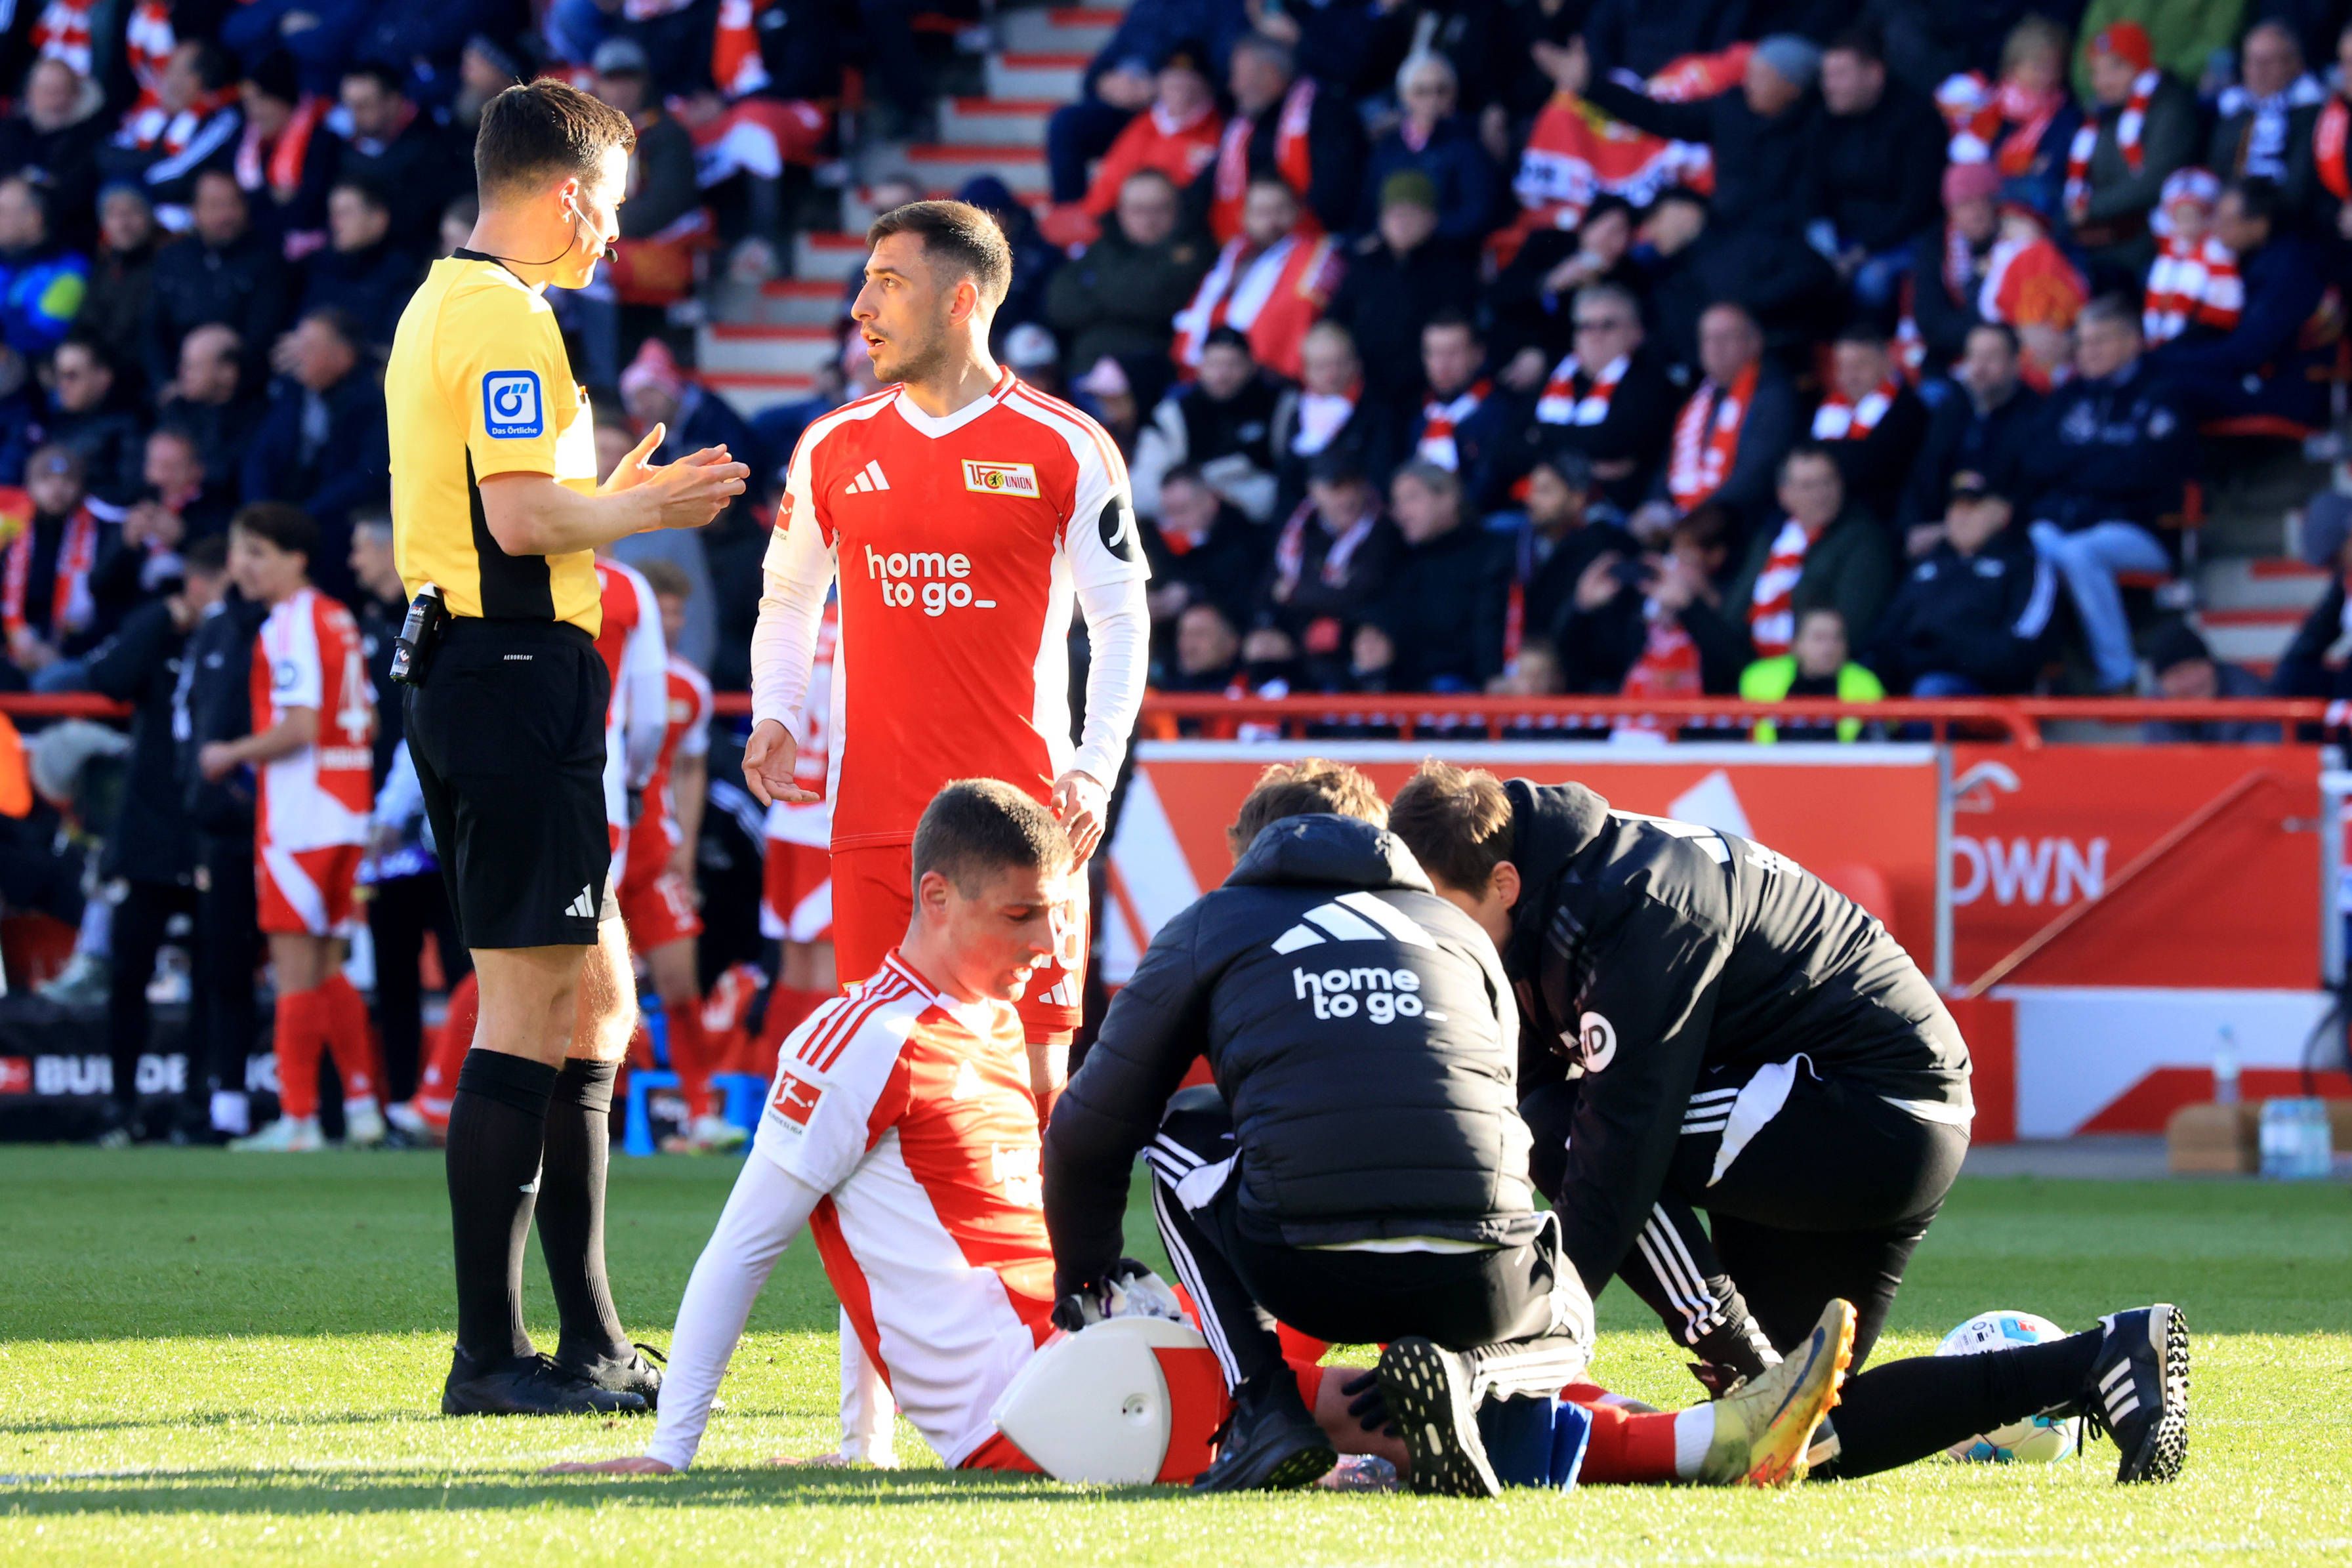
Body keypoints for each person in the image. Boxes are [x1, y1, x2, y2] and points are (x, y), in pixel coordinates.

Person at [551, 781, 1491, 1487]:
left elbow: (877, 1244)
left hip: (1098, 1342)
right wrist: (669, 1453)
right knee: (1397, 1412)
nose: (1045, 944)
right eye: (1020, 914)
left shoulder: (990, 1021)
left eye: (1053, 913)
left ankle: (1503, 1422)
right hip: (1039, 1402)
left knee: (1403, 1394)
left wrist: (861, 1449)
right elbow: (744, 1245)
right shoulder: (860, 1039)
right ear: (935, 897)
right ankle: (1566, 1437)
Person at [1385, 761, 2193, 1487]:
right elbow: (1486, 1118)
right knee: (1798, 1440)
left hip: (1869, 1104)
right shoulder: (1538, 907)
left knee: (1568, 1129)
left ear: (1504, 881)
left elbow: (1615, 1146)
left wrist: (1538, 1333)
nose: (1432, 940)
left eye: (1440, 914)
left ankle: (1736, 1350)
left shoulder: (1636, 898)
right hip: (1856, 1117)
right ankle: (2108, 1354)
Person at [383, 78, 749, 1418]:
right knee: (533, 1005)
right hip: (511, 671)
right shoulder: (504, 318)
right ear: (573, 194)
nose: (612, 242)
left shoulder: (448, 300)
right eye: (613, 213)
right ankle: (490, 1357)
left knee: (596, 998)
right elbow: (527, 516)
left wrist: (606, 499)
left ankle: (588, 1338)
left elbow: (520, 509)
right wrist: (641, 504)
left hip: (497, 673)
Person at [1044, 762, 1598, 1495]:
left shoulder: (1215, 921)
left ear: (1254, 852)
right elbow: (1495, 1101)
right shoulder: (1462, 935)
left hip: (1304, 1266)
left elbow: (1090, 1124)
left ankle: (1264, 1405)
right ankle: (1471, 1374)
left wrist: (1086, 1276)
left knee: (1185, 1124)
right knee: (1572, 1306)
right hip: (1479, 1281)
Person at [743, 197, 1149, 1076]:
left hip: (1022, 819)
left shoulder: (1067, 445)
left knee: (1030, 1091)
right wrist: (774, 708)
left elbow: (1121, 618)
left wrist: (1094, 764)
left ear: (961, 300)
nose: (862, 307)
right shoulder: (831, 445)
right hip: (873, 820)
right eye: (864, 281)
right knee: (879, 1084)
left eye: (889, 282)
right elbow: (787, 596)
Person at [197, 504, 381, 1153]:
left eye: (257, 553)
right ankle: (361, 1108)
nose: (242, 566)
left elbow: (300, 726)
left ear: (295, 558)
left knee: (294, 969)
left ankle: (298, 1117)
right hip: (348, 809)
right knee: (329, 966)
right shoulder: (338, 617)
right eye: (241, 553)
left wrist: (230, 752)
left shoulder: (292, 621)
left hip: (303, 818)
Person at [85, 536, 228, 1144]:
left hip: (208, 837)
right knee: (128, 977)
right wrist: (159, 621)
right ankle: (122, 1106)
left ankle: (199, 1108)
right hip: (147, 839)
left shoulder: (242, 640)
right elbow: (105, 679)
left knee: (215, 982)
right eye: (212, 584)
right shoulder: (162, 635)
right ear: (193, 585)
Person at [348, 514, 466, 1113]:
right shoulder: (368, 622)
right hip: (396, 830)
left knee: (460, 969)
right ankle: (400, 1099)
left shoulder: (435, 615)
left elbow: (416, 724)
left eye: (360, 549)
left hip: (426, 823)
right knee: (395, 976)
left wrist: (391, 811)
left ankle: (450, 1096)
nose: (353, 563)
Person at [2019, 296, 2191, 691]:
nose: (2088, 352)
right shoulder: (2070, 395)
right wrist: (2099, 459)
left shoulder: (2161, 392)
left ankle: (2120, 676)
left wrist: (2076, 463)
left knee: (2079, 552)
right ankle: (2041, 673)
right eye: (2082, 342)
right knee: (2028, 544)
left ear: (2133, 342)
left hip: (2140, 529)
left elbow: (2143, 472)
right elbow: (2035, 460)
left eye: (2100, 341)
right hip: (2064, 522)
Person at [623, 560, 725, 1150]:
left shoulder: (689, 685)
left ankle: (698, 1109)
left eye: (679, 611)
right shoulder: (606, 675)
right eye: (662, 609)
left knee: (681, 984)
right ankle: (602, 1112)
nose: (672, 621)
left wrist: (683, 845)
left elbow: (690, 768)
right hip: (604, 851)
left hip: (657, 854)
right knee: (592, 989)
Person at [1689, 444, 1894, 676]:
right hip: (1753, 673)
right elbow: (1734, 617)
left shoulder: (1864, 540)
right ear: (1784, 495)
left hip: (1815, 681)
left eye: (1828, 482)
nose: (1821, 494)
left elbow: (1852, 632)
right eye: (1808, 486)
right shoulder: (1769, 538)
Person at [2147, 177, 2332, 432]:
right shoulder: (2249, 258)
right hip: (2251, 374)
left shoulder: (2289, 268)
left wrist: (2164, 361)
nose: (2215, 227)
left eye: (2226, 222)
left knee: (2165, 387)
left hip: (2285, 390)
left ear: (2259, 224)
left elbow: (2248, 351)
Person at [241, 307, 391, 590]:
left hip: (336, 524)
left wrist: (303, 516)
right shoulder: (292, 391)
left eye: (309, 348)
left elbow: (367, 475)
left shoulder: (372, 400)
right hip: (290, 516)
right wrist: (261, 512)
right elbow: (261, 455)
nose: (298, 356)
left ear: (343, 356)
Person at [1870, 472, 2057, 697]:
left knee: (1932, 690)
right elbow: (1887, 633)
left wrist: (1945, 652)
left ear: (2004, 513)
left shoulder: (2025, 566)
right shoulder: (1927, 566)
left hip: (1990, 693)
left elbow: (2022, 645)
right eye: (1956, 506)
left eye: (1973, 507)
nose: (1961, 516)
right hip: (1913, 680)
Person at [1809, 27, 1949, 308]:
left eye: (1840, 75)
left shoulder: (1918, 119)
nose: (1829, 85)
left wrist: (1864, 250)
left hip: (1899, 241)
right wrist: (1827, 243)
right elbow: (1809, 187)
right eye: (1826, 76)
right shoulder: (1824, 118)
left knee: (1871, 283)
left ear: (1874, 73)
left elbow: (1918, 205)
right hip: (1839, 239)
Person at [1638, 301, 1798, 541]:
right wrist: (1655, 504)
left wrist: (1692, 520)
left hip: (1739, 527)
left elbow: (1755, 474)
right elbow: (1669, 466)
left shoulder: (1774, 394)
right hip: (1684, 523)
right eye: (1708, 338)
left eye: (1726, 337)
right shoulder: (1696, 398)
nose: (1715, 347)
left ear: (1754, 342)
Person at [1514, 281, 1677, 514]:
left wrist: (1540, 435)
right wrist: (1589, 464)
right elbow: (1506, 449)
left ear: (1637, 332)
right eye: (1585, 326)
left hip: (1613, 512)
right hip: (1535, 511)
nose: (1595, 335)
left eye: (1608, 325)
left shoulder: (1650, 381)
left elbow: (1615, 442)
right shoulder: (1555, 377)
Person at [1170, 175, 1343, 386]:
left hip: (1265, 379)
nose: (1271, 221)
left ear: (1298, 212)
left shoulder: (1316, 255)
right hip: (1206, 373)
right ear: (1244, 216)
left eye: (1280, 210)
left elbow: (1294, 317)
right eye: (1261, 212)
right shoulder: (1232, 254)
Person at [1250, 449, 1399, 692]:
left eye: (1354, 485)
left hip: (1355, 633)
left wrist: (1296, 593)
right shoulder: (1296, 531)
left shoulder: (1383, 529)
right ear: (1314, 491)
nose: (1348, 497)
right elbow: (1268, 591)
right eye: (1336, 488)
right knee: (1260, 645)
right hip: (1300, 632)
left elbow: (1364, 590)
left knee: (1367, 646)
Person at [1321, 171, 1471, 410]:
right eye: (1394, 214)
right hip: (1366, 391)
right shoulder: (1365, 266)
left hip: (1426, 395)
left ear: (1431, 219)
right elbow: (1334, 321)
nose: (1401, 223)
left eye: (1411, 214)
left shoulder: (1452, 269)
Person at [1043, 170, 1211, 377]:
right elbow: (1059, 302)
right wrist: (1117, 295)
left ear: (1177, 210)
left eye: (1159, 209)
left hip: (1152, 368)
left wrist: (1096, 291)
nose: (1149, 220)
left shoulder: (1193, 250)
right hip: (1086, 366)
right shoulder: (1104, 246)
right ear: (1120, 211)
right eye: (1138, 210)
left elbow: (1151, 299)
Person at [1359, 462, 1509, 692]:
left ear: (1448, 498)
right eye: (1397, 502)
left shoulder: (1491, 553)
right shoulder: (1397, 555)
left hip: (1465, 691)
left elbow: (1489, 628)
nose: (1401, 513)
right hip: (1399, 690)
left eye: (1412, 498)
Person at [1198, 31, 1362, 242]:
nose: (1233, 87)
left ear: (1269, 74)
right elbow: (1207, 184)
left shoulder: (1326, 114)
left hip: (1311, 244)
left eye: (1238, 76)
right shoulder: (1243, 126)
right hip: (1247, 243)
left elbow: (1334, 192)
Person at [2064, 21, 2198, 278]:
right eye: (2096, 71)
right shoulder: (2102, 116)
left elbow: (2156, 180)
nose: (2102, 81)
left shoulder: (2169, 105)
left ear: (2141, 64)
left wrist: (2090, 209)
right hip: (2105, 240)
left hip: (2154, 240)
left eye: (2115, 68)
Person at [1901, 322, 2044, 533]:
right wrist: (1914, 527)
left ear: (2016, 362)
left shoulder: (2038, 414)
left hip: (2005, 535)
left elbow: (2027, 489)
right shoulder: (1952, 407)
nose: (1979, 368)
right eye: (1973, 357)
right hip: (1941, 531)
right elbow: (1924, 475)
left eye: (1991, 358)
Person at [1131, 327, 1281, 523]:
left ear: (1251, 366)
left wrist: (1219, 499)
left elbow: (1285, 486)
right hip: (1181, 530)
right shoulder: (1174, 414)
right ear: (1200, 366)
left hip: (1256, 528)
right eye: (1213, 364)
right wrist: (1190, 500)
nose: (1222, 375)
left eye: (1232, 365)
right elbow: (1141, 489)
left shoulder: (1279, 407)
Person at [1355, 51, 1498, 247]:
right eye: (1421, 91)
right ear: (1404, 96)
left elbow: (1477, 214)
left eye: (1441, 91)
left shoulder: (1469, 145)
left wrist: (1424, 228)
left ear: (1454, 94)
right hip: (1389, 250)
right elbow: (1369, 208)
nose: (1432, 100)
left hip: (1445, 252)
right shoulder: (1387, 148)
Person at [1079, 42, 1223, 222]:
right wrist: (1094, 222)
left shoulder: (1220, 131)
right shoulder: (1143, 126)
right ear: (1159, 84)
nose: (1179, 86)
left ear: (1205, 84)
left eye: (1187, 80)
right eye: (1172, 80)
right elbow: (1109, 183)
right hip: (1130, 231)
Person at [1808, 327, 1929, 525]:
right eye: (1842, 367)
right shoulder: (1829, 409)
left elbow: (1869, 465)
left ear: (1887, 363)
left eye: (1860, 366)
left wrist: (1829, 456)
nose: (1850, 377)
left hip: (1881, 519)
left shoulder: (1907, 409)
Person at [2208, 21, 2322, 209]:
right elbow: (2218, 170)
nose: (2258, 72)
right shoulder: (2234, 112)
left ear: (2295, 64)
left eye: (2268, 62)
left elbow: (2300, 183)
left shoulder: (2312, 115)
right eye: (2251, 61)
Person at [1403, 312, 1510, 510]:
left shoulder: (1499, 413)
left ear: (1478, 355)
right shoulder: (1419, 417)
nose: (1442, 364)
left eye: (1453, 353)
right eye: (1433, 353)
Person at [1738, 606, 1886, 741]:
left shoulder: (1866, 685)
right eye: (1819, 638)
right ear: (1795, 644)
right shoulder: (1758, 678)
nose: (1829, 648)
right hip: (1770, 767)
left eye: (1837, 638)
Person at [2140, 623, 2279, 744]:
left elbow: (2262, 763)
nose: (2192, 681)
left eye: (2196, 667)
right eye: (2178, 673)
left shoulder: (2251, 699)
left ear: (2212, 665)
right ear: (2161, 684)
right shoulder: (2156, 707)